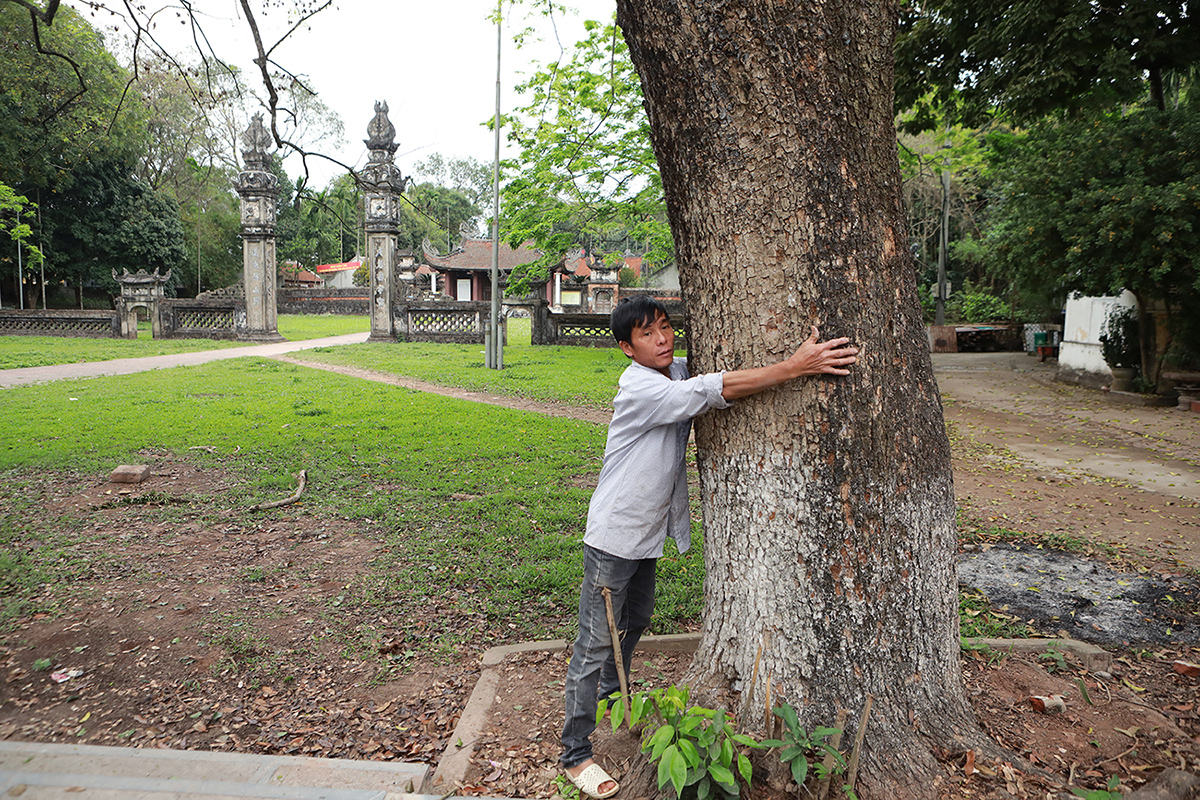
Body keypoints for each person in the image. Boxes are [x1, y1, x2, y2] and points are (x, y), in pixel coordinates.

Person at [562, 295, 859, 799]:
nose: (662, 339)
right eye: (646, 335)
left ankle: (617, 705)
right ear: (625, 349)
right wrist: (794, 366)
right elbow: (713, 387)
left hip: (644, 537)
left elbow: (707, 369)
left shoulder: (667, 371)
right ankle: (575, 754)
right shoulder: (642, 388)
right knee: (594, 643)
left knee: (635, 624)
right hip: (614, 536)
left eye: (664, 327)